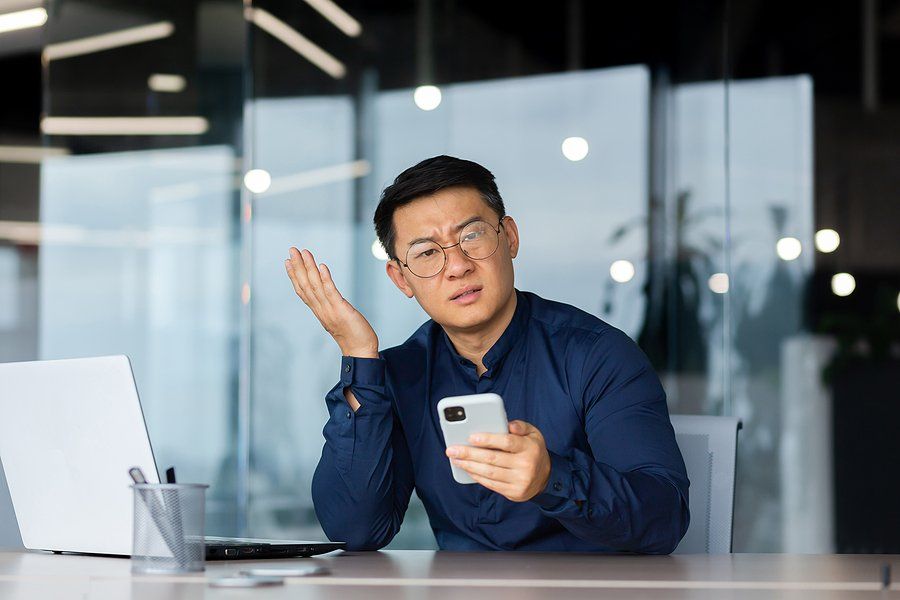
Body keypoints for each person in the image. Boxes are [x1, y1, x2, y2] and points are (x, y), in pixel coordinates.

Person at [284, 155, 690, 553]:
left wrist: (551, 478)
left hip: (590, 586)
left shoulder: (598, 355)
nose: (457, 266)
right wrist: (358, 356)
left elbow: (665, 517)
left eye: (471, 236)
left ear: (509, 237)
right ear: (401, 278)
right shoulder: (402, 374)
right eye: (427, 252)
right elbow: (356, 531)